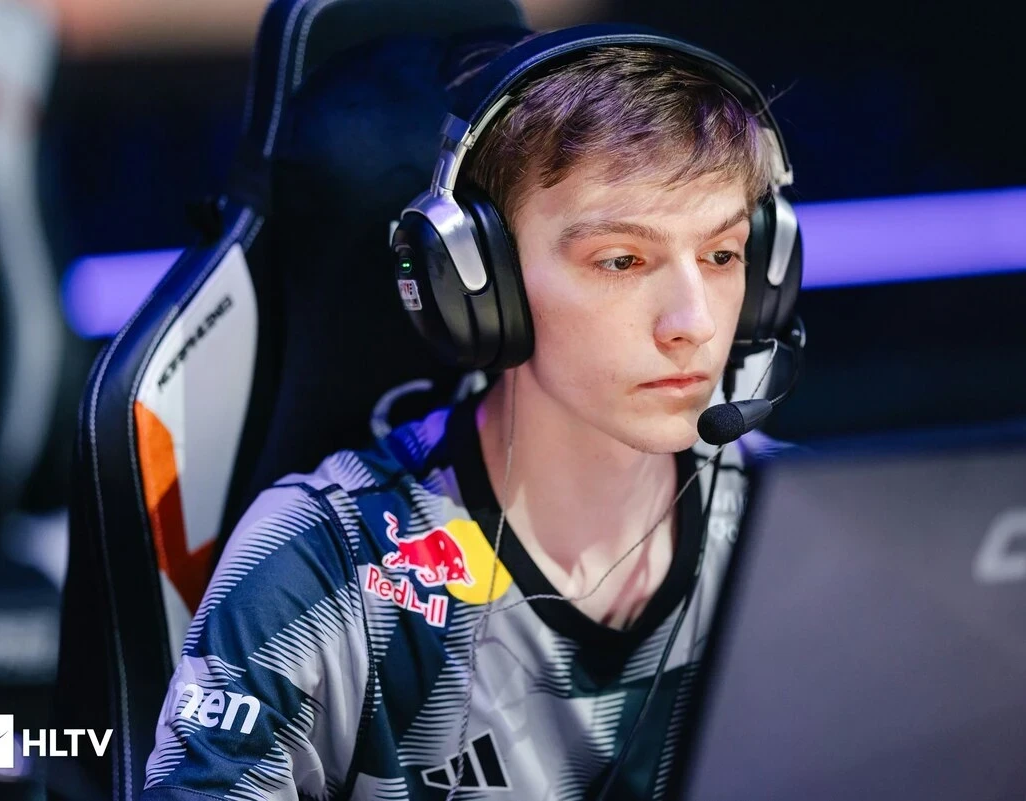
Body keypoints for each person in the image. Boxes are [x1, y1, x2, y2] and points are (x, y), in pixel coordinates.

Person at [141, 24, 792, 801]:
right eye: (621, 260)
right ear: (477, 284)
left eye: (721, 256)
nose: (693, 321)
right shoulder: (322, 565)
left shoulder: (798, 533)